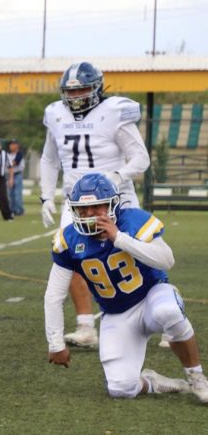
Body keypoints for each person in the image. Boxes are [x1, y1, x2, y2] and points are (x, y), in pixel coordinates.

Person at [44, 173, 208, 404]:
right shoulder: (69, 239)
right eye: (83, 209)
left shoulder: (133, 220)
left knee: (167, 311)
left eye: (96, 207)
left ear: (112, 205)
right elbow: (54, 295)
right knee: (120, 388)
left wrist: (119, 238)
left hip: (152, 296)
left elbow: (167, 260)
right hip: (117, 313)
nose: (89, 214)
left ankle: (197, 377)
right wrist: (55, 343)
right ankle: (153, 382)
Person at [41, 61, 151, 350]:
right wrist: (46, 196)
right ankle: (86, 326)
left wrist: (118, 176)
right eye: (70, 92)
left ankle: (160, 314)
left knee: (139, 252)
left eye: (82, 90)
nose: (75, 97)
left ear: (97, 88)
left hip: (116, 197)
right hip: (77, 202)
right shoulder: (55, 114)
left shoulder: (114, 111)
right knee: (71, 255)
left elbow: (141, 158)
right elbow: (49, 159)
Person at [7, 139, 26, 217]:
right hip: (9, 175)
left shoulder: (19, 154)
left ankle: (19, 210)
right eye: (11, 144)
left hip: (18, 175)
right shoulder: (8, 155)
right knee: (10, 194)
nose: (12, 146)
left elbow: (14, 163)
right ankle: (12, 210)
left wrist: (8, 164)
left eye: (14, 144)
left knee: (17, 194)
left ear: (17, 145)